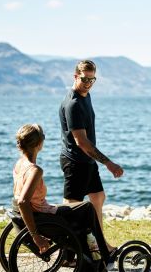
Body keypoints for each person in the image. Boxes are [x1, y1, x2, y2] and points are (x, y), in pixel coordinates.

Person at [12, 124, 113, 268]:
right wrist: (36, 236)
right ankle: (102, 256)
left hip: (39, 211)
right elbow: (23, 202)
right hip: (42, 215)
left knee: (79, 209)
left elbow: (19, 199)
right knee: (88, 208)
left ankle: (81, 254)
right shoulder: (35, 171)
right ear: (39, 144)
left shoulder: (20, 164)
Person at [59, 59, 124, 252]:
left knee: (97, 197)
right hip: (75, 161)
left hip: (87, 160)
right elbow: (82, 142)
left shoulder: (86, 96)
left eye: (92, 80)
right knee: (72, 207)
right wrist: (109, 163)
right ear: (75, 76)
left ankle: (100, 244)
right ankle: (69, 251)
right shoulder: (73, 104)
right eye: (84, 79)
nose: (88, 84)